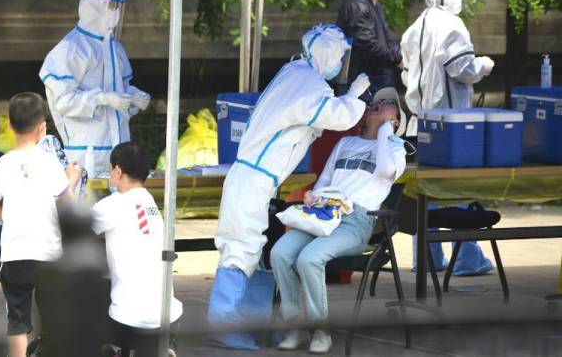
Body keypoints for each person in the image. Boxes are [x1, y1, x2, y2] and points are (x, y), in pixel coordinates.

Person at [207, 24, 371, 350]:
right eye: (340, 56)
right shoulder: (308, 84)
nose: (341, 63)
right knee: (241, 249)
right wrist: (355, 98)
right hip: (253, 179)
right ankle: (222, 324)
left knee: (254, 250)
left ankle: (247, 322)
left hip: (255, 179)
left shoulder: (295, 72)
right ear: (327, 54)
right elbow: (335, 116)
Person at [270, 87, 406, 354]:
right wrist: (313, 195)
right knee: (279, 253)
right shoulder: (345, 143)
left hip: (356, 220)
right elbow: (324, 181)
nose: (379, 103)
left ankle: (321, 330)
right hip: (323, 212)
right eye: (376, 101)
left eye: (389, 103)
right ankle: (295, 324)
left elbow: (386, 171)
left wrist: (385, 132)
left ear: (397, 121)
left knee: (309, 259)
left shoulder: (396, 148)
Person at [400, 0, 496, 275]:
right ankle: (467, 258)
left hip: (418, 123)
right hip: (450, 127)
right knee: (458, 190)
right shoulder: (452, 25)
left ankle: (427, 259)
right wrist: (484, 64)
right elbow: (462, 68)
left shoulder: (416, 25)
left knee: (423, 192)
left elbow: (406, 69)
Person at [0, 92, 83, 357]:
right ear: (42, 128)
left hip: (15, 256)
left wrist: (15, 214)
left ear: (10, 125)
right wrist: (71, 178)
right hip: (49, 255)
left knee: (17, 322)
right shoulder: (51, 164)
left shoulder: (3, 165)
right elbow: (67, 204)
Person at [39, 0, 151, 176]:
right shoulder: (71, 49)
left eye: (118, 6)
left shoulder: (115, 48)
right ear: (94, 5)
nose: (115, 12)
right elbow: (63, 101)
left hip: (120, 155)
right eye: (111, 5)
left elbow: (120, 89)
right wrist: (102, 98)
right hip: (85, 157)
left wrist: (133, 97)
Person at [91, 142, 183, 357]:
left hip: (129, 319)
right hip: (168, 315)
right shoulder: (151, 205)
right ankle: (164, 347)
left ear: (118, 171)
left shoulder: (113, 204)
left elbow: (73, 228)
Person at [336, 0, 403, 99]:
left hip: (376, 85)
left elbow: (386, 41)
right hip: (362, 88)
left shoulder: (372, 4)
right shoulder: (356, 3)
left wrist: (400, 55)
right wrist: (397, 59)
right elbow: (367, 44)